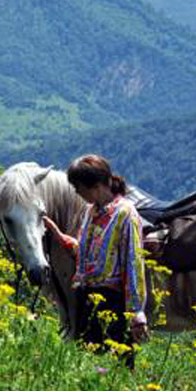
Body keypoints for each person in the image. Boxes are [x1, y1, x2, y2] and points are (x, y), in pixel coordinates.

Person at [43, 154, 149, 367]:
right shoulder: (91, 213)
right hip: (87, 300)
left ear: (93, 186)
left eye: (77, 186)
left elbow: (133, 263)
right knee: (89, 366)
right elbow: (85, 254)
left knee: (115, 367)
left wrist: (136, 312)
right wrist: (58, 235)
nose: (76, 192)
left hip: (113, 303)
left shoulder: (125, 214)